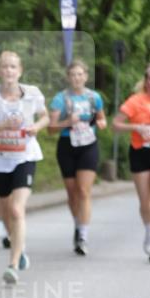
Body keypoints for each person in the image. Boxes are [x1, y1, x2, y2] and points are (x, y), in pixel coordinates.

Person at [0, 51, 49, 284]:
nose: (9, 71)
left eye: (13, 67)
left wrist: (37, 126)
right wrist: (1, 127)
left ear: (20, 71)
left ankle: (13, 264)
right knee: (7, 212)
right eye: (4, 67)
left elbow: (45, 117)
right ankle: (19, 246)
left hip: (25, 157)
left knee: (17, 210)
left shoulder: (32, 94)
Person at [48, 60, 106, 255]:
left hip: (88, 145)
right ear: (68, 77)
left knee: (83, 190)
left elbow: (100, 117)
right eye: (73, 74)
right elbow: (50, 129)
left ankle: (83, 235)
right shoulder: (60, 99)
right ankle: (78, 224)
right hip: (67, 146)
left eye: (80, 74)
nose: (77, 78)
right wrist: (66, 122)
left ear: (86, 76)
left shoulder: (94, 97)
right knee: (72, 193)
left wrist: (102, 122)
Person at [113, 63, 150, 263]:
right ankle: (148, 230)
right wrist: (137, 127)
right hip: (139, 151)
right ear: (145, 82)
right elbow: (116, 125)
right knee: (145, 201)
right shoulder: (135, 102)